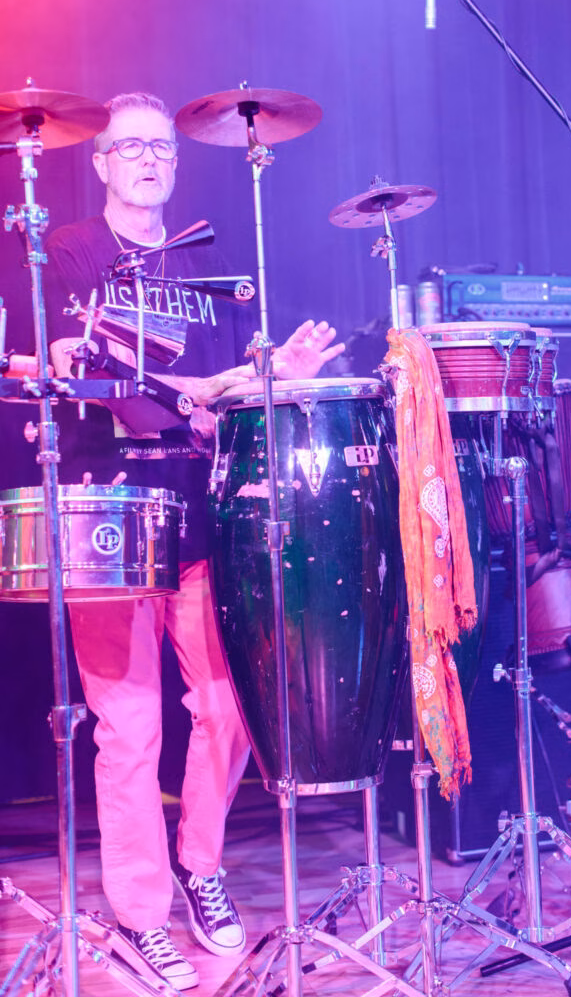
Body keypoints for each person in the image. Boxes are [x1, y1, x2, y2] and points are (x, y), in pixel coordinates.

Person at [44, 91, 343, 991]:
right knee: (127, 726)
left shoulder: (212, 257)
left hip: (200, 506)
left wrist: (271, 380)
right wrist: (194, 387)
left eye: (161, 150)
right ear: (99, 164)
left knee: (228, 703)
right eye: (129, 148)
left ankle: (200, 865)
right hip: (108, 509)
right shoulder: (63, 253)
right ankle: (139, 915)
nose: (148, 160)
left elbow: (228, 401)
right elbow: (74, 369)